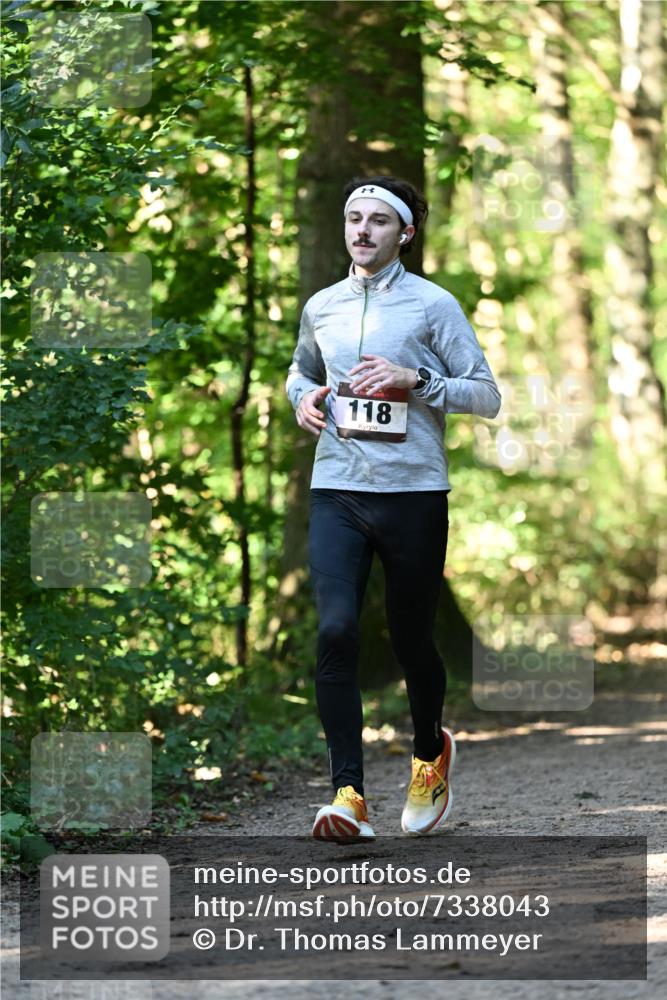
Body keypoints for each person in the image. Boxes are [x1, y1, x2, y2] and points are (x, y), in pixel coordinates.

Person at [285, 175, 501, 843]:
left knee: (411, 639)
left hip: (412, 493)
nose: (361, 230)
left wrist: (418, 380)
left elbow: (486, 396)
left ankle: (428, 754)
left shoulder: (432, 305)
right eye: (353, 218)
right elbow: (299, 368)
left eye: (378, 220)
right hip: (338, 491)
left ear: (403, 233)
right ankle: (347, 794)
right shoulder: (321, 305)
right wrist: (303, 395)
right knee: (335, 631)